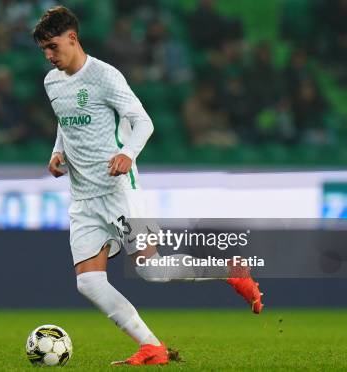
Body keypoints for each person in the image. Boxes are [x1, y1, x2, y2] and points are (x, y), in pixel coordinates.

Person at [33, 6, 263, 366]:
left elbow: (143, 121)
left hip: (119, 190)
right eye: (43, 49)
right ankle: (152, 347)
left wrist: (127, 154)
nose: (48, 55)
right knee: (88, 283)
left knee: (151, 269)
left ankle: (229, 269)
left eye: (52, 46)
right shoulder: (52, 82)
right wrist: (57, 152)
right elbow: (65, 122)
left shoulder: (105, 76)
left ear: (72, 37)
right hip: (83, 197)